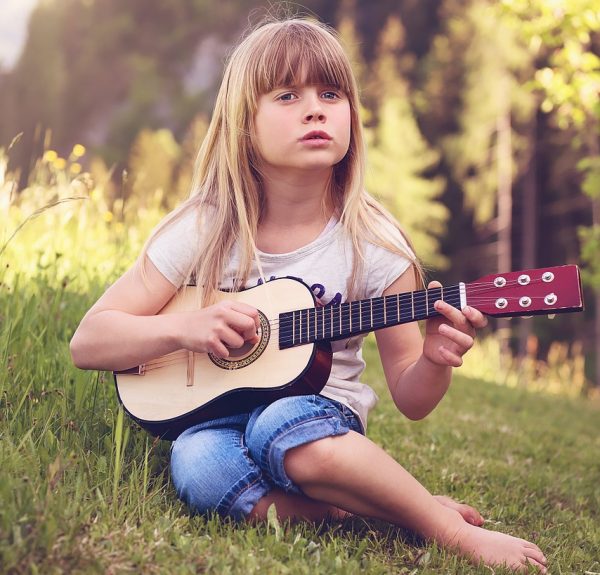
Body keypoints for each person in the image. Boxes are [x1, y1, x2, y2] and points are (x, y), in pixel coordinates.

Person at [70, 17, 547, 573]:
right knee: (197, 464)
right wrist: (183, 329)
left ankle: (444, 530)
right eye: (287, 95)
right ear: (243, 124)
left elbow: (413, 399)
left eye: (331, 93)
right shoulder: (205, 227)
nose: (315, 109)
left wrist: (437, 360)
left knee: (281, 426)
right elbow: (89, 341)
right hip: (210, 416)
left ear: (351, 117)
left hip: (317, 418)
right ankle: (362, 512)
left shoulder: (375, 244)